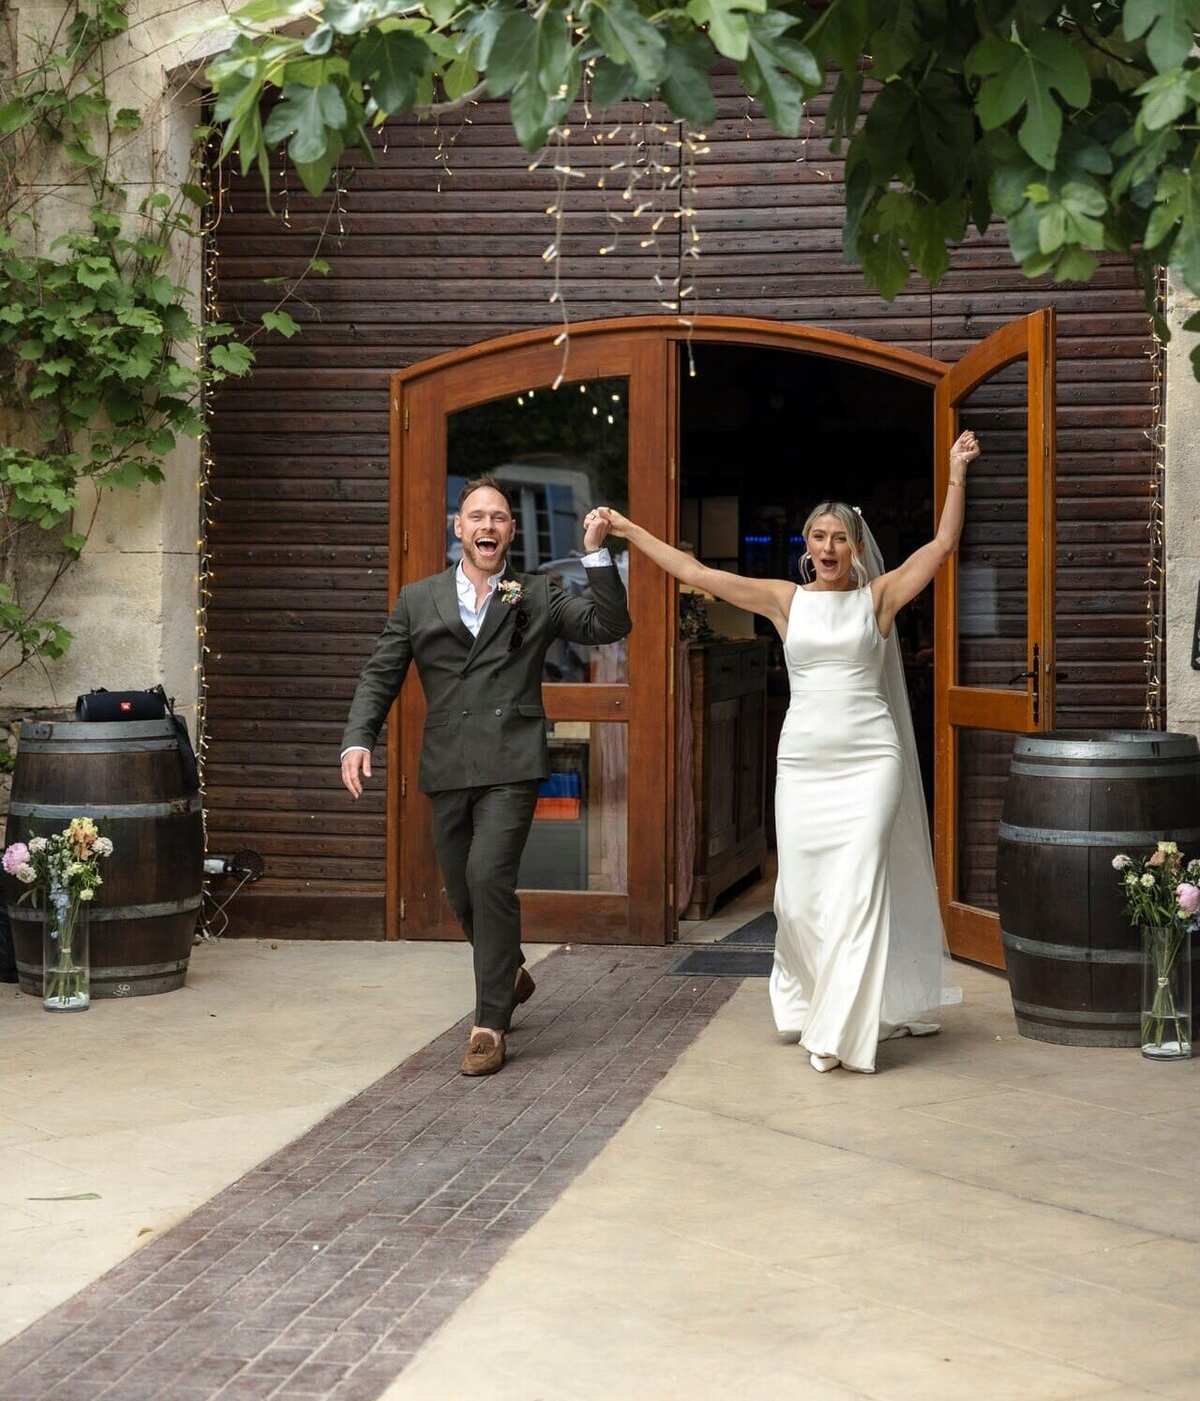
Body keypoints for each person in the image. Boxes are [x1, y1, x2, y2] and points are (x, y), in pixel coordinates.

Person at [598, 428, 978, 1075]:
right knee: (797, 902)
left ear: (856, 547)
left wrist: (955, 472)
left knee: (858, 891)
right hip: (803, 766)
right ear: (807, 545)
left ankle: (839, 1033)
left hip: (871, 761)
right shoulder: (785, 601)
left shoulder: (878, 599)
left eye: (840, 537)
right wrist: (629, 530)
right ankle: (812, 999)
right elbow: (697, 573)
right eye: (818, 536)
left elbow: (941, 546)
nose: (828, 547)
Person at [341, 476, 631, 1078]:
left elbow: (608, 625)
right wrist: (358, 738)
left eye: (498, 517)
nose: (488, 526)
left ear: (511, 531)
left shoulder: (537, 593)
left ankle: (489, 1024)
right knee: (461, 891)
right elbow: (381, 674)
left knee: (488, 875)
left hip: (512, 759)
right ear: (460, 529)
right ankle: (510, 972)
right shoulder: (418, 599)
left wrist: (596, 553)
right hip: (448, 763)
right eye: (477, 516)